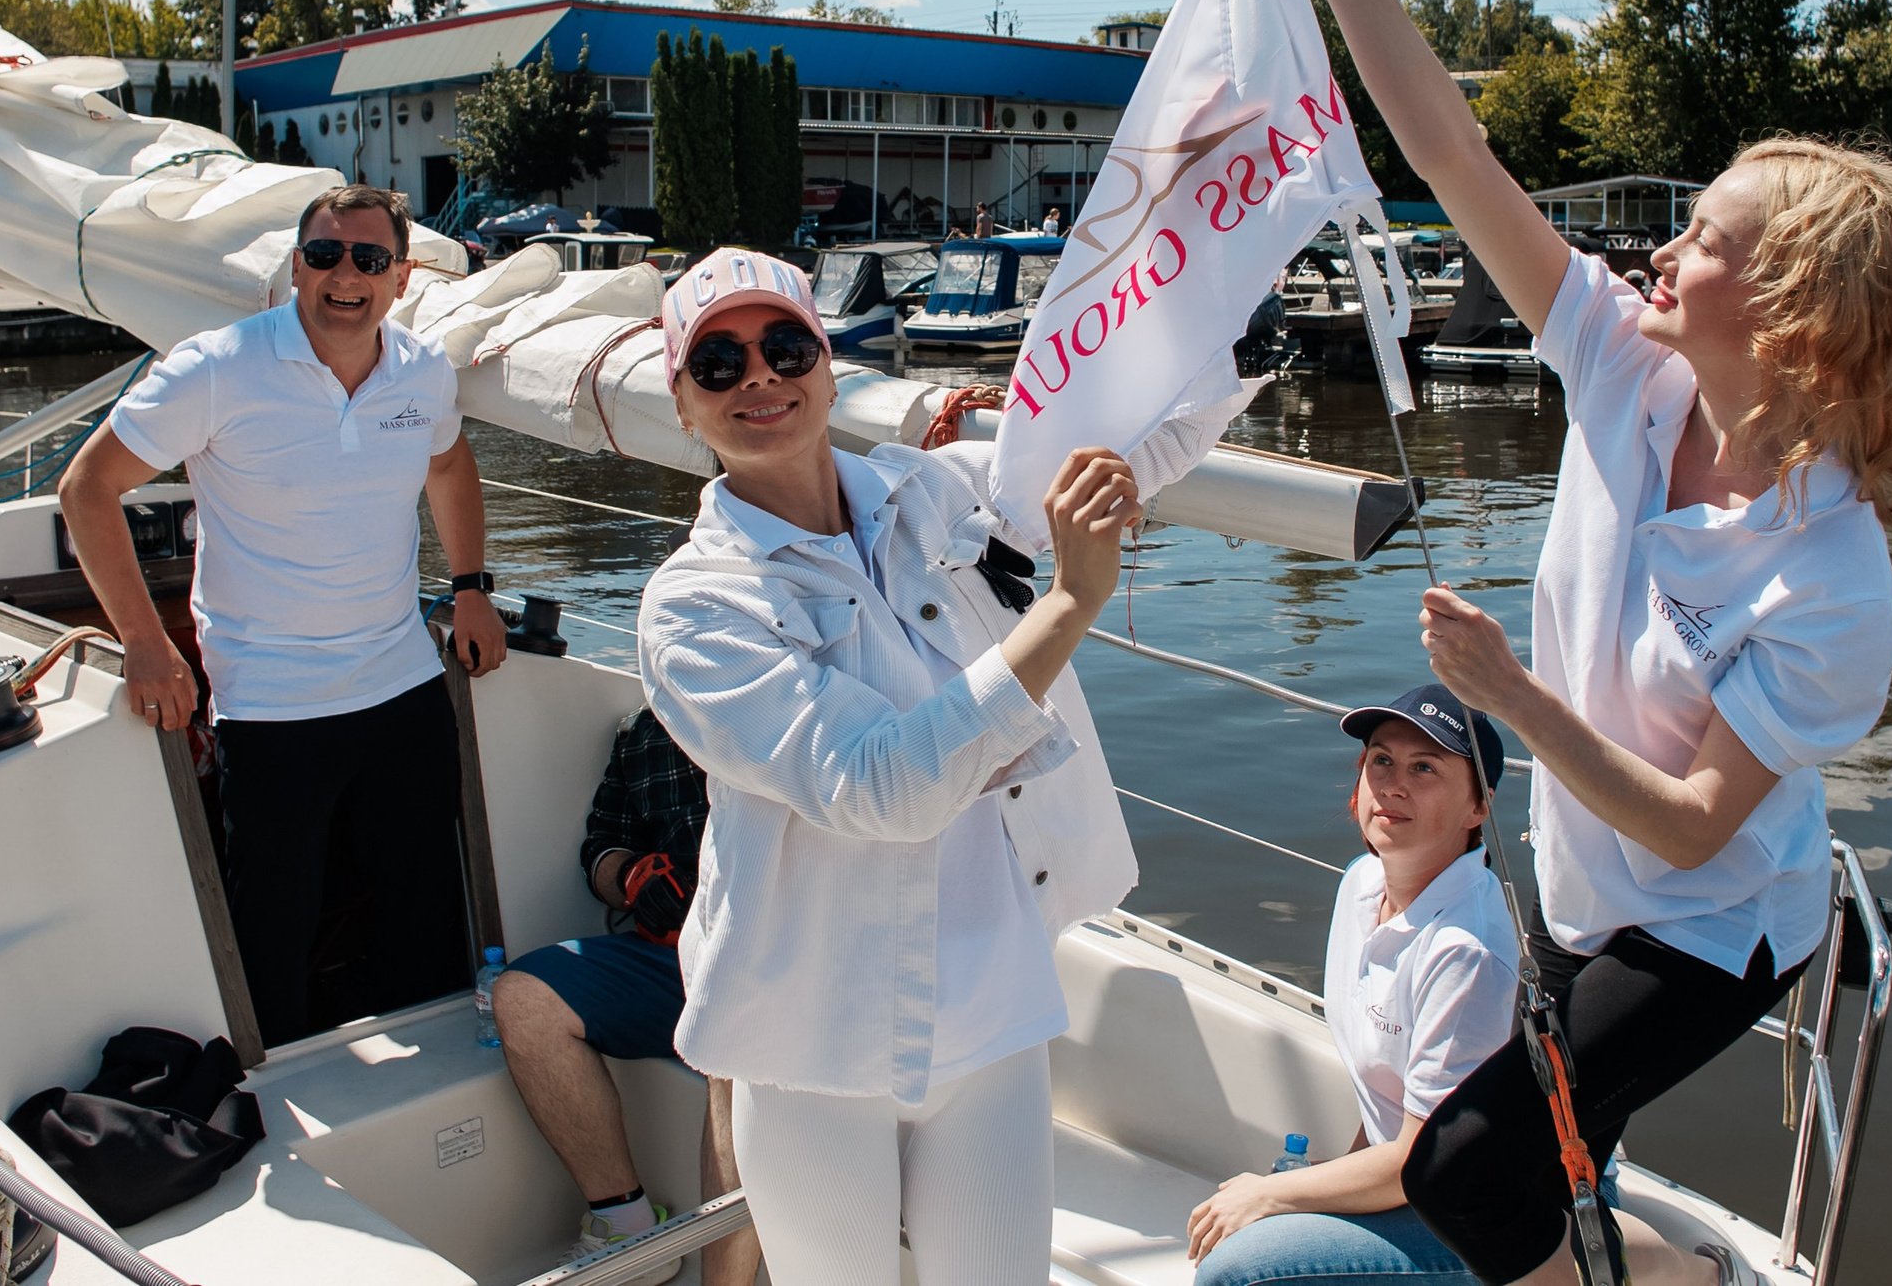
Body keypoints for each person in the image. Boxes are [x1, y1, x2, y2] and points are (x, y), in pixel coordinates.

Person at [1242, 0, 1892, 1286]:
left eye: (1698, 238)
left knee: (1467, 1166)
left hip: (1701, 929)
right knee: (1541, 1153)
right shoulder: (1628, 367)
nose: (1660, 256)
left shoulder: (1830, 578)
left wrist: (1506, 694)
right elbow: (1450, 145)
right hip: (1576, 882)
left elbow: (1698, 825)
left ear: (1789, 318)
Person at [636, 247, 1248, 1286]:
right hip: (810, 1042)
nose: (760, 379)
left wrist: (1223, 301)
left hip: (986, 1005)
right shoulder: (693, 610)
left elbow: (1151, 436)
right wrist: (1066, 604)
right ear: (683, 404)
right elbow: (879, 789)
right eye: (719, 363)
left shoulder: (942, 490)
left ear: (827, 364)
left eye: (784, 346)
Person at [61, 184, 510, 1047]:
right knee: (274, 928)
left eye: (369, 259)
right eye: (325, 255)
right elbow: (88, 488)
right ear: (295, 265)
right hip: (270, 700)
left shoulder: (421, 371)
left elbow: (449, 469)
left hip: (400, 684)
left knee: (423, 901)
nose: (346, 275)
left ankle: (439, 1078)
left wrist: (469, 586)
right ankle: (271, 1098)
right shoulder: (219, 368)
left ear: (402, 277)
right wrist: (147, 644)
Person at [1188, 686, 1516, 1286]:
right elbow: (1389, 1096)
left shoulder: (1466, 950)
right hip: (1414, 1183)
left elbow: (1422, 1156)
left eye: (1425, 768)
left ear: (1479, 807)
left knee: (1237, 1271)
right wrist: (1316, 1187)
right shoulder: (1362, 884)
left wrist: (1275, 1194)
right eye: (1381, 760)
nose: (1393, 784)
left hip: (1491, 1216)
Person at [491, 706, 761, 1285]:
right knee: (523, 999)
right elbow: (601, 850)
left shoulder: (793, 706)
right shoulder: (642, 730)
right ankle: (625, 1226)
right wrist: (635, 878)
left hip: (767, 959)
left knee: (734, 1050)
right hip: (668, 960)